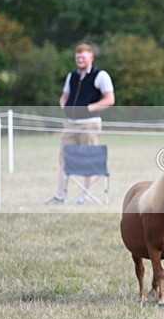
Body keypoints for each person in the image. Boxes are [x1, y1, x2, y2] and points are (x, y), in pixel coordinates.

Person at [46, 43, 115, 204]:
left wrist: (90, 108)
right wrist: (64, 105)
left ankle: (86, 195)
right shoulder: (72, 76)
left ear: (91, 57)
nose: (80, 59)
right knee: (64, 158)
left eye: (83, 57)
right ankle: (60, 194)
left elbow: (110, 99)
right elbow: (65, 95)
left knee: (88, 159)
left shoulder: (100, 75)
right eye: (78, 57)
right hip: (70, 123)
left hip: (89, 124)